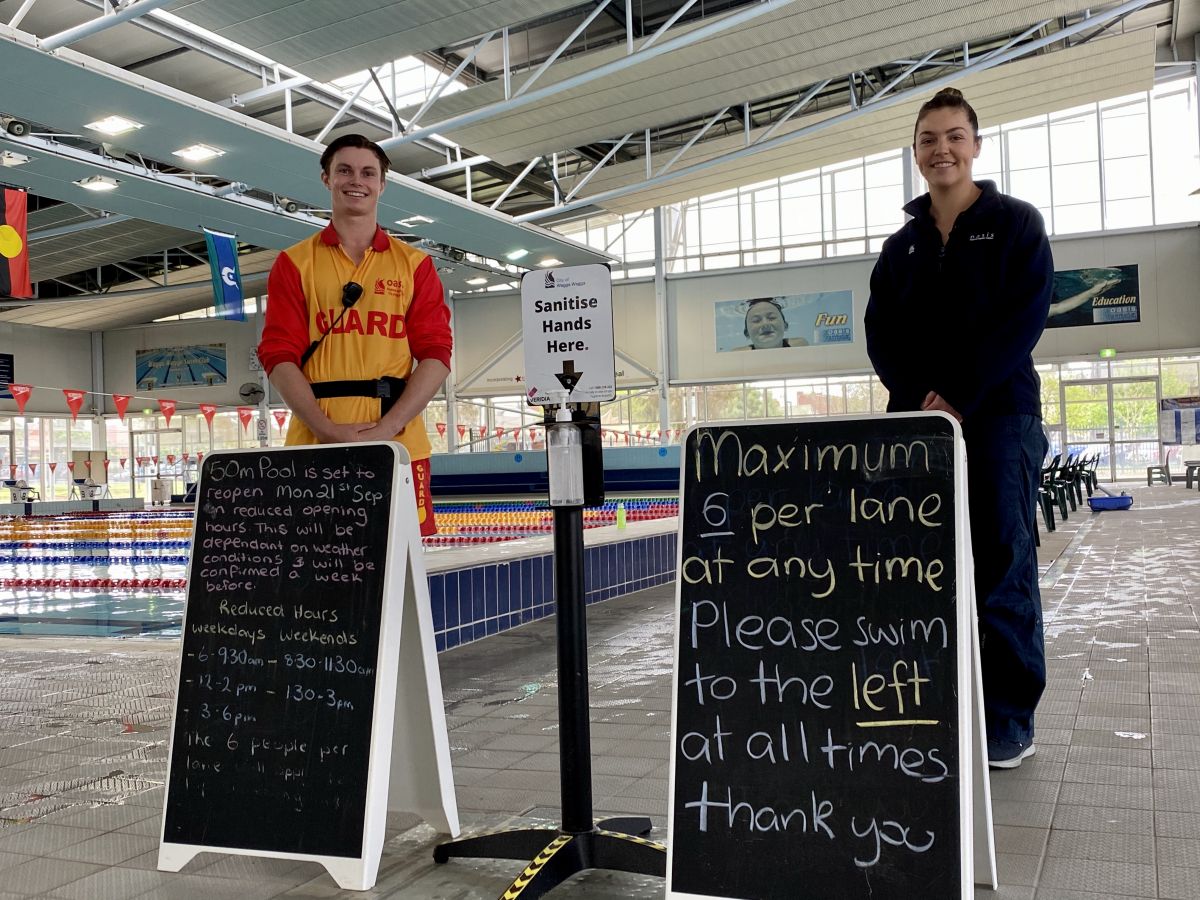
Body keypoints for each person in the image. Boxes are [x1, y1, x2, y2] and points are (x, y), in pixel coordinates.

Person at [864, 88, 1052, 769]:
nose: (940, 148)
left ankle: (1006, 719)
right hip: (916, 423)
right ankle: (928, 702)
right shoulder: (901, 246)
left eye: (953, 135)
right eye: (927, 138)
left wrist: (961, 396)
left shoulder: (1014, 225)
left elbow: (1023, 319)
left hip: (1000, 418)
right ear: (915, 153)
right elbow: (880, 333)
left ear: (975, 144)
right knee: (916, 569)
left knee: (1002, 564)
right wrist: (920, 399)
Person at [257, 133, 452, 536]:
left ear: (382, 184)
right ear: (327, 179)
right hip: (315, 442)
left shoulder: (414, 265)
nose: (356, 180)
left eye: (368, 172)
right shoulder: (294, 263)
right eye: (344, 170)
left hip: (399, 442)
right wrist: (324, 428)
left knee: (402, 568)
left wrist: (388, 428)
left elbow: (436, 354)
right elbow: (278, 355)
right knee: (315, 564)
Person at [740, 298, 808, 350]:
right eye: (756, 320)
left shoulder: (799, 346)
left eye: (771, 318)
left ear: (785, 325)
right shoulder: (739, 355)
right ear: (747, 333)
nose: (765, 324)